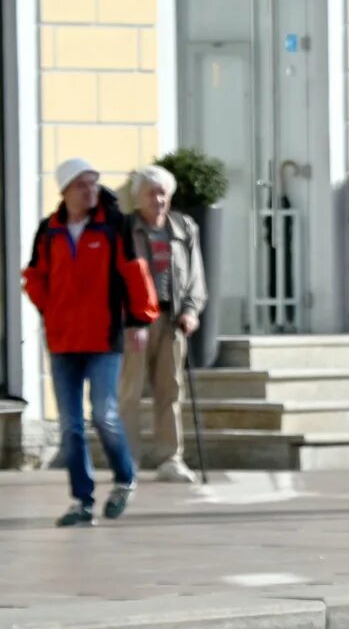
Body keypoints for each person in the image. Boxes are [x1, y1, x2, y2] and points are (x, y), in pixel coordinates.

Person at [22, 158, 158, 526]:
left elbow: (135, 273)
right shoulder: (48, 231)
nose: (91, 191)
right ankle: (82, 502)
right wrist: (50, 309)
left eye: (94, 184)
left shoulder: (114, 226)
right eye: (82, 184)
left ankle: (125, 478)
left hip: (104, 337)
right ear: (65, 191)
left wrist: (140, 320)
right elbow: (34, 277)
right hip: (63, 340)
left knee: (104, 414)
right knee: (70, 426)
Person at [121, 165, 209, 483]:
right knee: (129, 391)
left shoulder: (184, 227)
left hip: (172, 319)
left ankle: (170, 458)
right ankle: (126, 460)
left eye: (163, 193)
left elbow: (196, 275)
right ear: (138, 197)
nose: (158, 200)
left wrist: (191, 310)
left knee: (170, 389)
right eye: (151, 193)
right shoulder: (125, 229)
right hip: (135, 322)